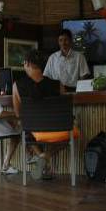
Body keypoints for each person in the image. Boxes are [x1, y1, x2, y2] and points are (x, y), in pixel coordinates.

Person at [13, 49, 65, 179]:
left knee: (21, 126)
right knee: (70, 132)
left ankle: (41, 155)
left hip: (31, 130)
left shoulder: (17, 86)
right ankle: (46, 155)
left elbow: (18, 114)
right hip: (56, 128)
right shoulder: (58, 85)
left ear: (27, 63)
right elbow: (63, 110)